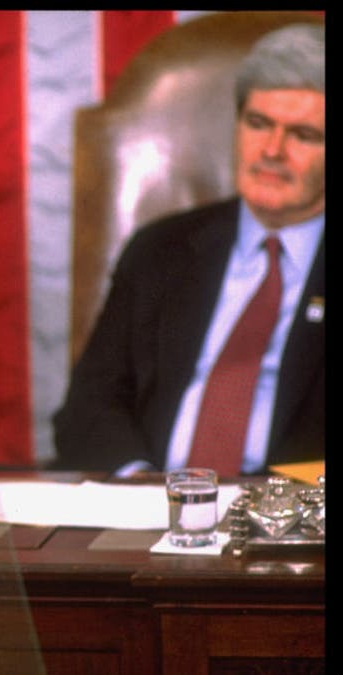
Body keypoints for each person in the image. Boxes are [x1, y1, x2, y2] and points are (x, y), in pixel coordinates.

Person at [52, 23, 324, 477]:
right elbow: (87, 410)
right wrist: (137, 484)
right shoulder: (162, 250)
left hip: (292, 528)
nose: (272, 150)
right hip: (148, 508)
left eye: (303, 134)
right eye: (258, 123)